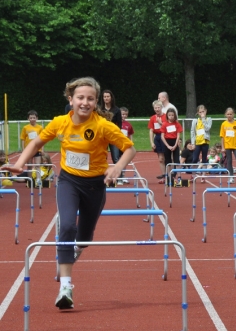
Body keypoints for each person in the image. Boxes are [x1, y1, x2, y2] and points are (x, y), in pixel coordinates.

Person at [1, 77, 136, 309]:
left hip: (95, 184)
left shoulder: (103, 126)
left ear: (96, 102)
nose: (85, 102)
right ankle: (65, 286)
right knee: (67, 227)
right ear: (70, 99)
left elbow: (129, 149)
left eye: (90, 99)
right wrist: (20, 163)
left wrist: (117, 167)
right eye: (80, 98)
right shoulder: (60, 122)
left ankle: (75, 249)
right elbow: (35, 144)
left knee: (84, 237)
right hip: (69, 182)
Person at [20, 110, 43, 185]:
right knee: (29, 165)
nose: (32, 119)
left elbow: (42, 139)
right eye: (31, 118)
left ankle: (38, 180)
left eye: (34, 118)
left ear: (37, 118)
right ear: (28, 119)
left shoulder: (40, 127)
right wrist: (23, 150)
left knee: (37, 165)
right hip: (28, 149)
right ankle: (30, 181)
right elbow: (23, 139)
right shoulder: (25, 128)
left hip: (37, 149)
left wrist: (42, 149)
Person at [161, 108, 182, 184]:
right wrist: (168, 146)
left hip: (175, 142)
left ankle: (179, 176)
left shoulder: (177, 124)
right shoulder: (164, 124)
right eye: (169, 115)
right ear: (167, 115)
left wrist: (176, 145)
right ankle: (169, 177)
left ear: (175, 115)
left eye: (172, 115)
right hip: (167, 142)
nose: (171, 116)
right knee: (168, 160)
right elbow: (162, 136)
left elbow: (178, 135)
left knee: (177, 160)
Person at [220, 107, 236, 182]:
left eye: (230, 114)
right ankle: (231, 177)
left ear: (233, 114)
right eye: (228, 114)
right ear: (225, 115)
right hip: (227, 145)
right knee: (229, 160)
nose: (229, 115)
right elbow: (222, 136)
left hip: (235, 145)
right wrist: (223, 147)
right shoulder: (223, 124)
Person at [148, 100, 167, 179]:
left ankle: (169, 175)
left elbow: (168, 128)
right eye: (155, 108)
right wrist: (152, 142)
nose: (157, 109)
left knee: (167, 158)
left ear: (161, 107)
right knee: (160, 158)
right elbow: (151, 130)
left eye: (158, 107)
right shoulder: (152, 118)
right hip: (158, 137)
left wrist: (160, 123)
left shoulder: (166, 116)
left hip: (165, 137)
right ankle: (163, 175)